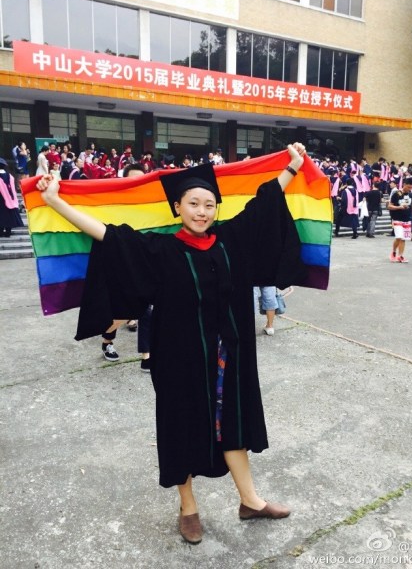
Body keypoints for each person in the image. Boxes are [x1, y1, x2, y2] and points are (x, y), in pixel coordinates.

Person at [36, 143, 309, 545]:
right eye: (194, 203)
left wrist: (292, 167)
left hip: (227, 358)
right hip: (179, 361)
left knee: (232, 425)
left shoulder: (229, 239)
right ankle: (188, 508)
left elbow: (264, 205)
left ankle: (250, 501)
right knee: (182, 428)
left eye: (209, 204)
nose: (202, 211)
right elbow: (109, 237)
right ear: (177, 207)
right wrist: (55, 202)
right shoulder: (162, 250)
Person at [387, 177, 412, 263]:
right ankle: (393, 252)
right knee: (399, 237)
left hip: (407, 219)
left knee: (404, 238)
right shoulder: (396, 194)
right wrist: (399, 207)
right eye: (408, 187)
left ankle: (400, 256)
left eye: (411, 187)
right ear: (404, 184)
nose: (410, 189)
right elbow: (389, 206)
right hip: (397, 218)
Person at [0, 157, 24, 237]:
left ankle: (1, 232)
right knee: (9, 215)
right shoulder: (10, 176)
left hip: (1, 200)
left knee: (2, 215)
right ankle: (8, 232)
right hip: (10, 198)